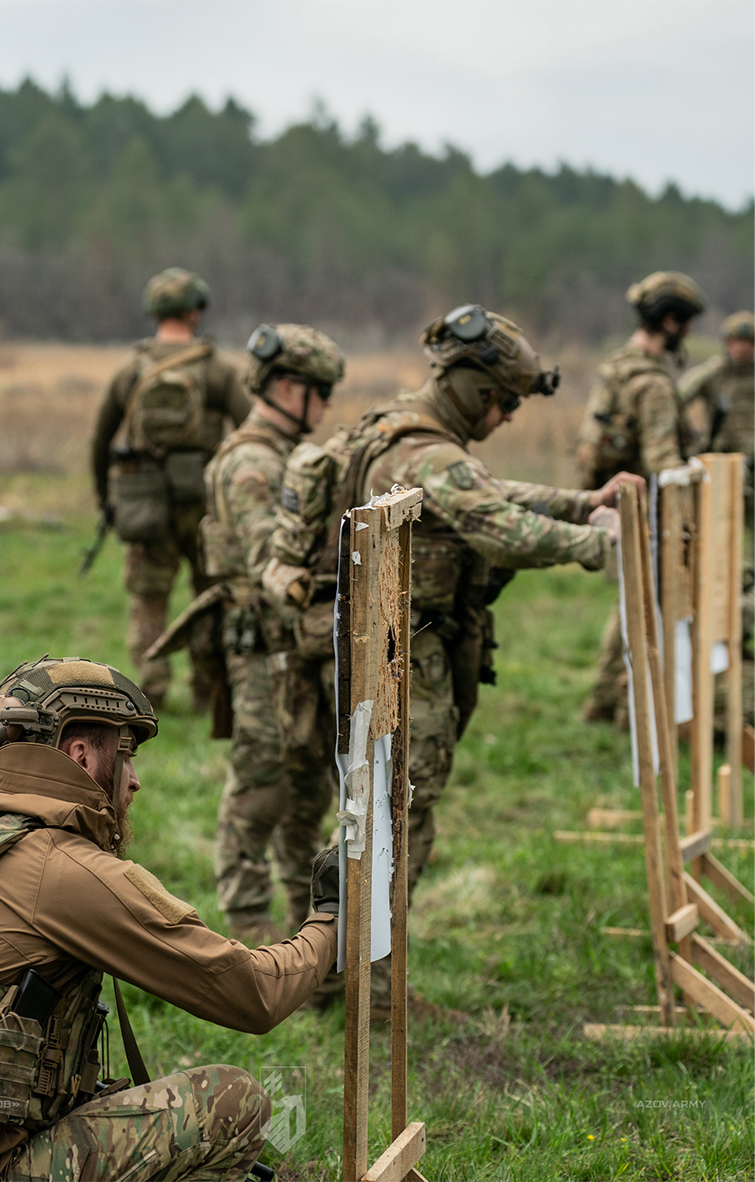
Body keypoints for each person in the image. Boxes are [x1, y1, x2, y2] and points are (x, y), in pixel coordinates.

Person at [0, 656, 340, 1182]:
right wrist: (332, 921)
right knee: (229, 1101)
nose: (134, 782)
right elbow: (253, 994)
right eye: (126, 755)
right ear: (81, 756)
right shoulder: (59, 867)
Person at [266, 304, 642, 915]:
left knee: (375, 818)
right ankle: (375, 993)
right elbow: (501, 529)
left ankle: (338, 973)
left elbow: (482, 492)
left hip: (363, 647)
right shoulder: (430, 451)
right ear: (472, 389)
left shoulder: (393, 426)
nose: (508, 415)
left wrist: (580, 503)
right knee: (394, 826)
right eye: (503, 400)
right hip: (398, 661)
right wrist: (602, 543)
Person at [200, 323, 345, 943]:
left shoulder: (281, 454)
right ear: (289, 388)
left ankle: (305, 936)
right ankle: (249, 937)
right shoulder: (254, 463)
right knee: (260, 788)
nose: (327, 405)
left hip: (294, 650)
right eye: (321, 391)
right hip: (265, 652)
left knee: (305, 789)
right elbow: (272, 566)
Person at [90, 268, 251, 712]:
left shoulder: (130, 370)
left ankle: (149, 691)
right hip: (204, 505)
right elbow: (252, 429)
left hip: (144, 504)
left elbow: (101, 440)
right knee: (208, 597)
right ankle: (207, 691)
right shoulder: (217, 369)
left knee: (148, 600)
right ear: (195, 312)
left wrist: (107, 497)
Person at [576, 271, 706, 724]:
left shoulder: (615, 366)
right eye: (685, 322)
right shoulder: (651, 384)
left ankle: (601, 703)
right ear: (669, 320)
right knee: (647, 608)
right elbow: (664, 466)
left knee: (630, 603)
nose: (688, 332)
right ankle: (629, 708)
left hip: (615, 508)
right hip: (647, 513)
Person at [679, 310, 754, 528]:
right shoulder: (714, 373)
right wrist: (689, 436)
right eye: (737, 341)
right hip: (721, 460)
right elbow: (676, 398)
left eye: (748, 342)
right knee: (717, 522)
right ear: (727, 343)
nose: (742, 347)